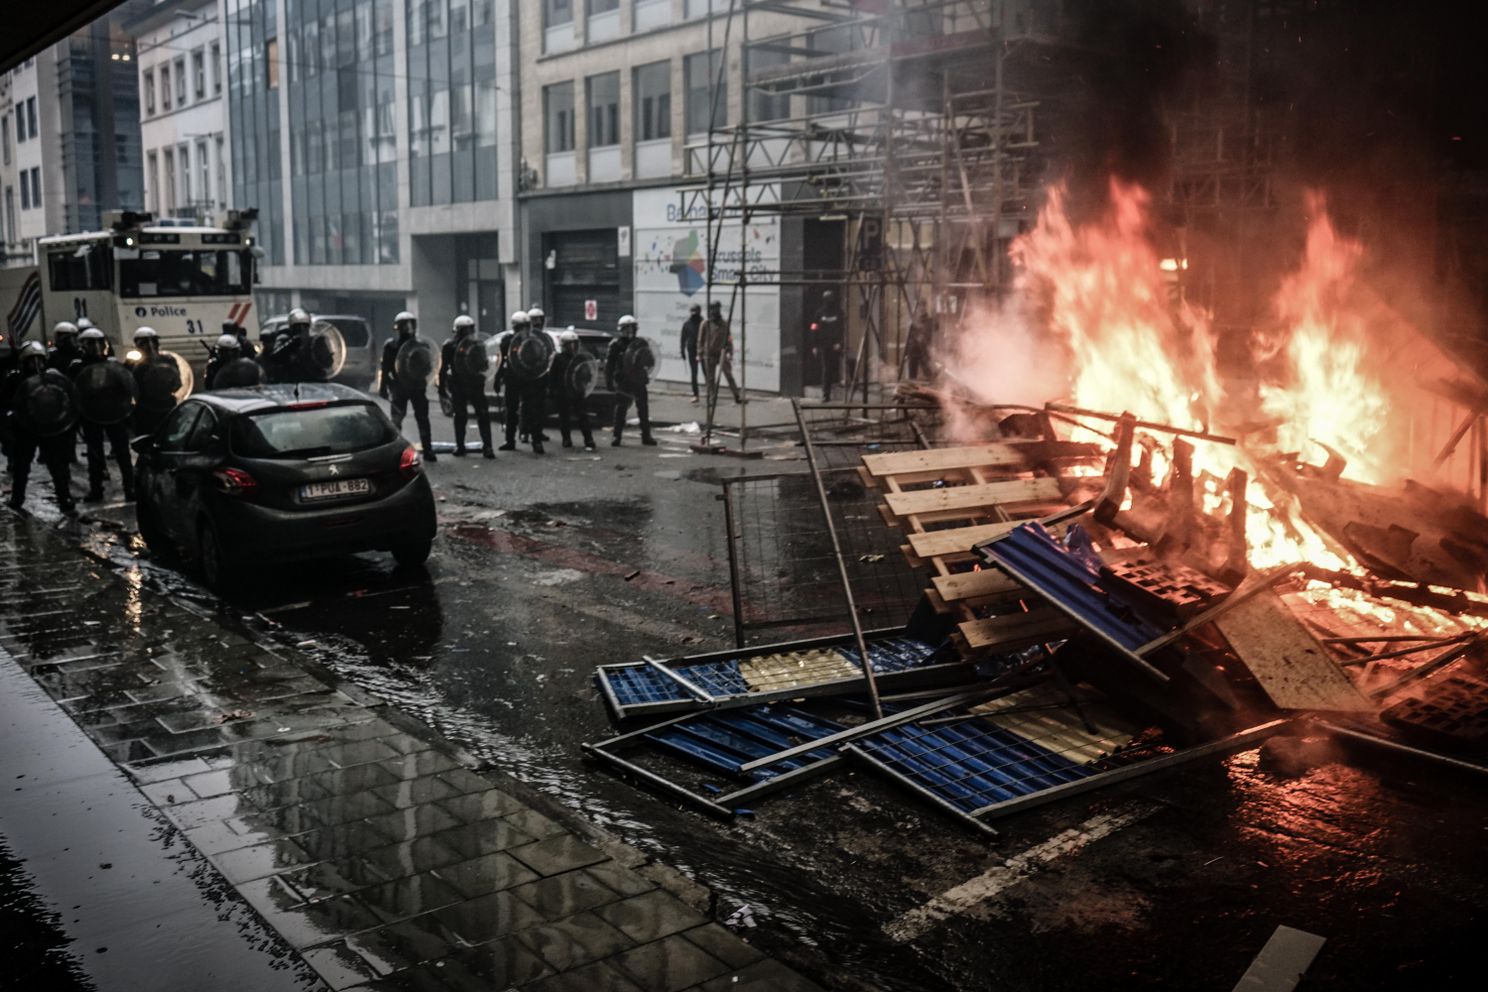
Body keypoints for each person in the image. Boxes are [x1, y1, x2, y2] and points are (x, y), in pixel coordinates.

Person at [2, 341, 76, 514]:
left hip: (49, 427)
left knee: (57, 466)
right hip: (25, 428)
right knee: (21, 465)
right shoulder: (15, 378)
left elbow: (65, 400)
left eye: (39, 360)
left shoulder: (52, 377)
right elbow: (6, 401)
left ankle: (64, 498)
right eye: (31, 360)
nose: (36, 364)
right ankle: (17, 498)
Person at [70, 328, 134, 502]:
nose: (96, 348)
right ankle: (96, 489)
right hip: (91, 414)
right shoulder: (78, 366)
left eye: (99, 343)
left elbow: (125, 387)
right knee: (95, 454)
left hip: (113, 413)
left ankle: (130, 487)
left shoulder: (112, 365)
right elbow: (74, 390)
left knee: (122, 453)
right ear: (83, 345)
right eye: (91, 344)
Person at [379, 311, 437, 461]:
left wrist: (383, 387)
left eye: (410, 325)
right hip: (401, 387)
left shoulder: (420, 345)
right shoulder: (391, 346)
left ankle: (426, 449)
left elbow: (427, 365)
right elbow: (386, 367)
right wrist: (383, 386)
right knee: (399, 420)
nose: (408, 328)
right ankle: (399, 450)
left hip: (414, 386)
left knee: (418, 418)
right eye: (406, 325)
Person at [439, 315, 495, 459]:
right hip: (458, 384)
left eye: (470, 329)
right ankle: (460, 445)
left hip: (475, 383)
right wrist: (441, 387)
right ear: (458, 331)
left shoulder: (478, 345)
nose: (468, 333)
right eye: (465, 330)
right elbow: (444, 367)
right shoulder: (449, 346)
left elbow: (484, 364)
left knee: (482, 414)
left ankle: (488, 446)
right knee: (460, 415)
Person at [606, 315, 656, 447]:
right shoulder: (616, 345)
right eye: (626, 328)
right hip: (624, 381)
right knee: (621, 409)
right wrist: (609, 381)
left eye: (632, 328)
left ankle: (646, 436)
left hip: (639, 379)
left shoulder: (641, 343)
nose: (629, 331)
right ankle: (617, 436)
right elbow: (610, 365)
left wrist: (642, 361)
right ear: (621, 330)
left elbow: (650, 360)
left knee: (643, 409)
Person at [129, 327, 180, 437]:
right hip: (145, 408)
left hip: (166, 405)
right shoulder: (132, 364)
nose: (150, 346)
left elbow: (177, 382)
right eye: (144, 342)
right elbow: (130, 387)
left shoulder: (168, 360)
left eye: (153, 341)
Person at [550, 330, 596, 451]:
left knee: (582, 416)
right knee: (564, 417)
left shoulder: (580, 359)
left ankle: (588, 439)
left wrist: (584, 383)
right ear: (564, 346)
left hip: (576, 391)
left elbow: (587, 374)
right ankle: (566, 439)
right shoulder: (558, 358)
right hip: (563, 392)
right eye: (570, 345)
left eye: (575, 344)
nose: (573, 347)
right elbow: (553, 375)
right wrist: (552, 390)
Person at [699, 301, 742, 408]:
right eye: (714, 308)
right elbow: (700, 340)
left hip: (721, 352)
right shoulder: (705, 324)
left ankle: (737, 396)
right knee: (710, 379)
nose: (716, 310)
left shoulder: (724, 323)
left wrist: (730, 351)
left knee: (729, 375)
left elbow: (729, 338)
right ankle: (711, 399)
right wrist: (699, 353)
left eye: (717, 308)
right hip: (708, 354)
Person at [810, 289, 844, 401]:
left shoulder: (838, 312)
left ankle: (832, 388)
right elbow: (814, 328)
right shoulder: (819, 313)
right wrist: (815, 345)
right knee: (826, 370)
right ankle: (826, 394)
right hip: (824, 345)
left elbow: (842, 328)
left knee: (833, 368)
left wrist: (839, 342)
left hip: (834, 345)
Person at [262, 307, 311, 383]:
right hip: (289, 380)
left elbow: (328, 362)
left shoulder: (314, 340)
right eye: (297, 327)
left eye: (305, 326)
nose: (302, 330)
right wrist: (292, 343)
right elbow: (275, 356)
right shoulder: (284, 337)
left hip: (312, 379)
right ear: (291, 328)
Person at [905, 302, 937, 381]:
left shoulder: (929, 321)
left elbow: (934, 328)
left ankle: (930, 378)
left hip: (924, 351)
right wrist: (906, 353)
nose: (922, 309)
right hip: (914, 351)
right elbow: (909, 337)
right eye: (920, 307)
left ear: (926, 308)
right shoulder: (913, 322)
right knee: (912, 375)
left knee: (928, 373)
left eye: (923, 306)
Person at [679, 304, 702, 404]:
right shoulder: (687, 324)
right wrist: (682, 351)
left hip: (703, 351)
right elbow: (683, 338)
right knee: (694, 373)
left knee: (707, 373)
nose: (694, 313)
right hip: (691, 351)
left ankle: (711, 394)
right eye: (692, 311)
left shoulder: (703, 323)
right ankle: (695, 394)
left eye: (696, 311)